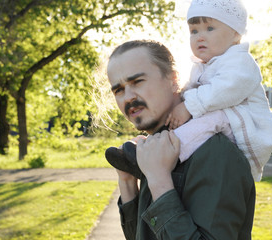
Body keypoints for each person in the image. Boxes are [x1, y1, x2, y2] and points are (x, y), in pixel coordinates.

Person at [105, 39, 255, 239]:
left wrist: (159, 180)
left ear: (173, 79)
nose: (128, 97)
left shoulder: (214, 152)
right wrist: (128, 183)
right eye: (119, 90)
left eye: (137, 82)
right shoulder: (157, 153)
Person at [165, 0, 272, 181]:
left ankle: (167, 154)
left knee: (212, 117)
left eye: (210, 28)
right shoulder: (200, 66)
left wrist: (188, 106)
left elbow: (224, 90)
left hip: (248, 124)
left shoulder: (241, 62)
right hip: (227, 122)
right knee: (186, 118)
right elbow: (190, 89)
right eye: (194, 31)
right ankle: (159, 142)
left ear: (235, 34)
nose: (200, 37)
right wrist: (178, 102)